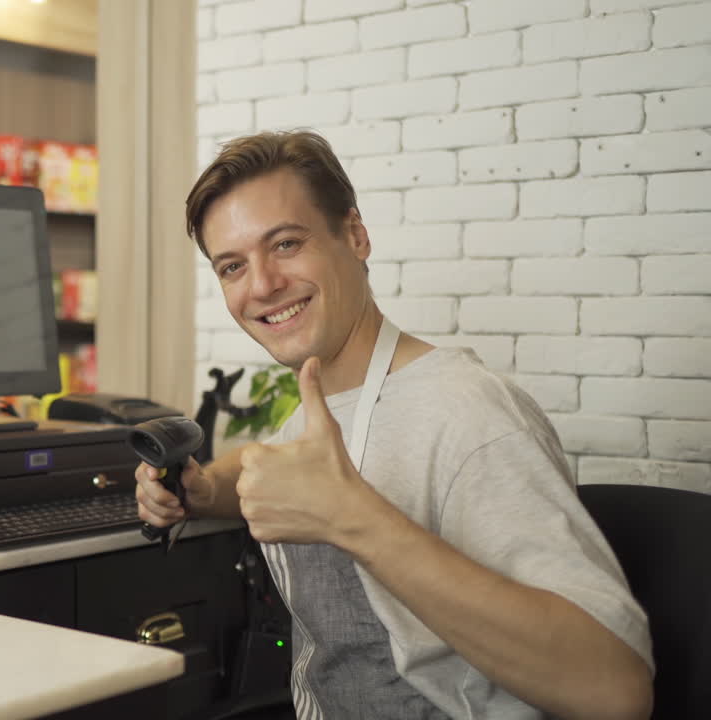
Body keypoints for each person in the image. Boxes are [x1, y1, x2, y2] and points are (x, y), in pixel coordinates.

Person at [135, 130, 654, 719]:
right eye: (233, 266)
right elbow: (269, 462)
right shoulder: (321, 409)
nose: (261, 285)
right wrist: (203, 490)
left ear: (355, 235)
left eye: (285, 244)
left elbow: (615, 689)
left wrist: (354, 519)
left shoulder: (467, 412)